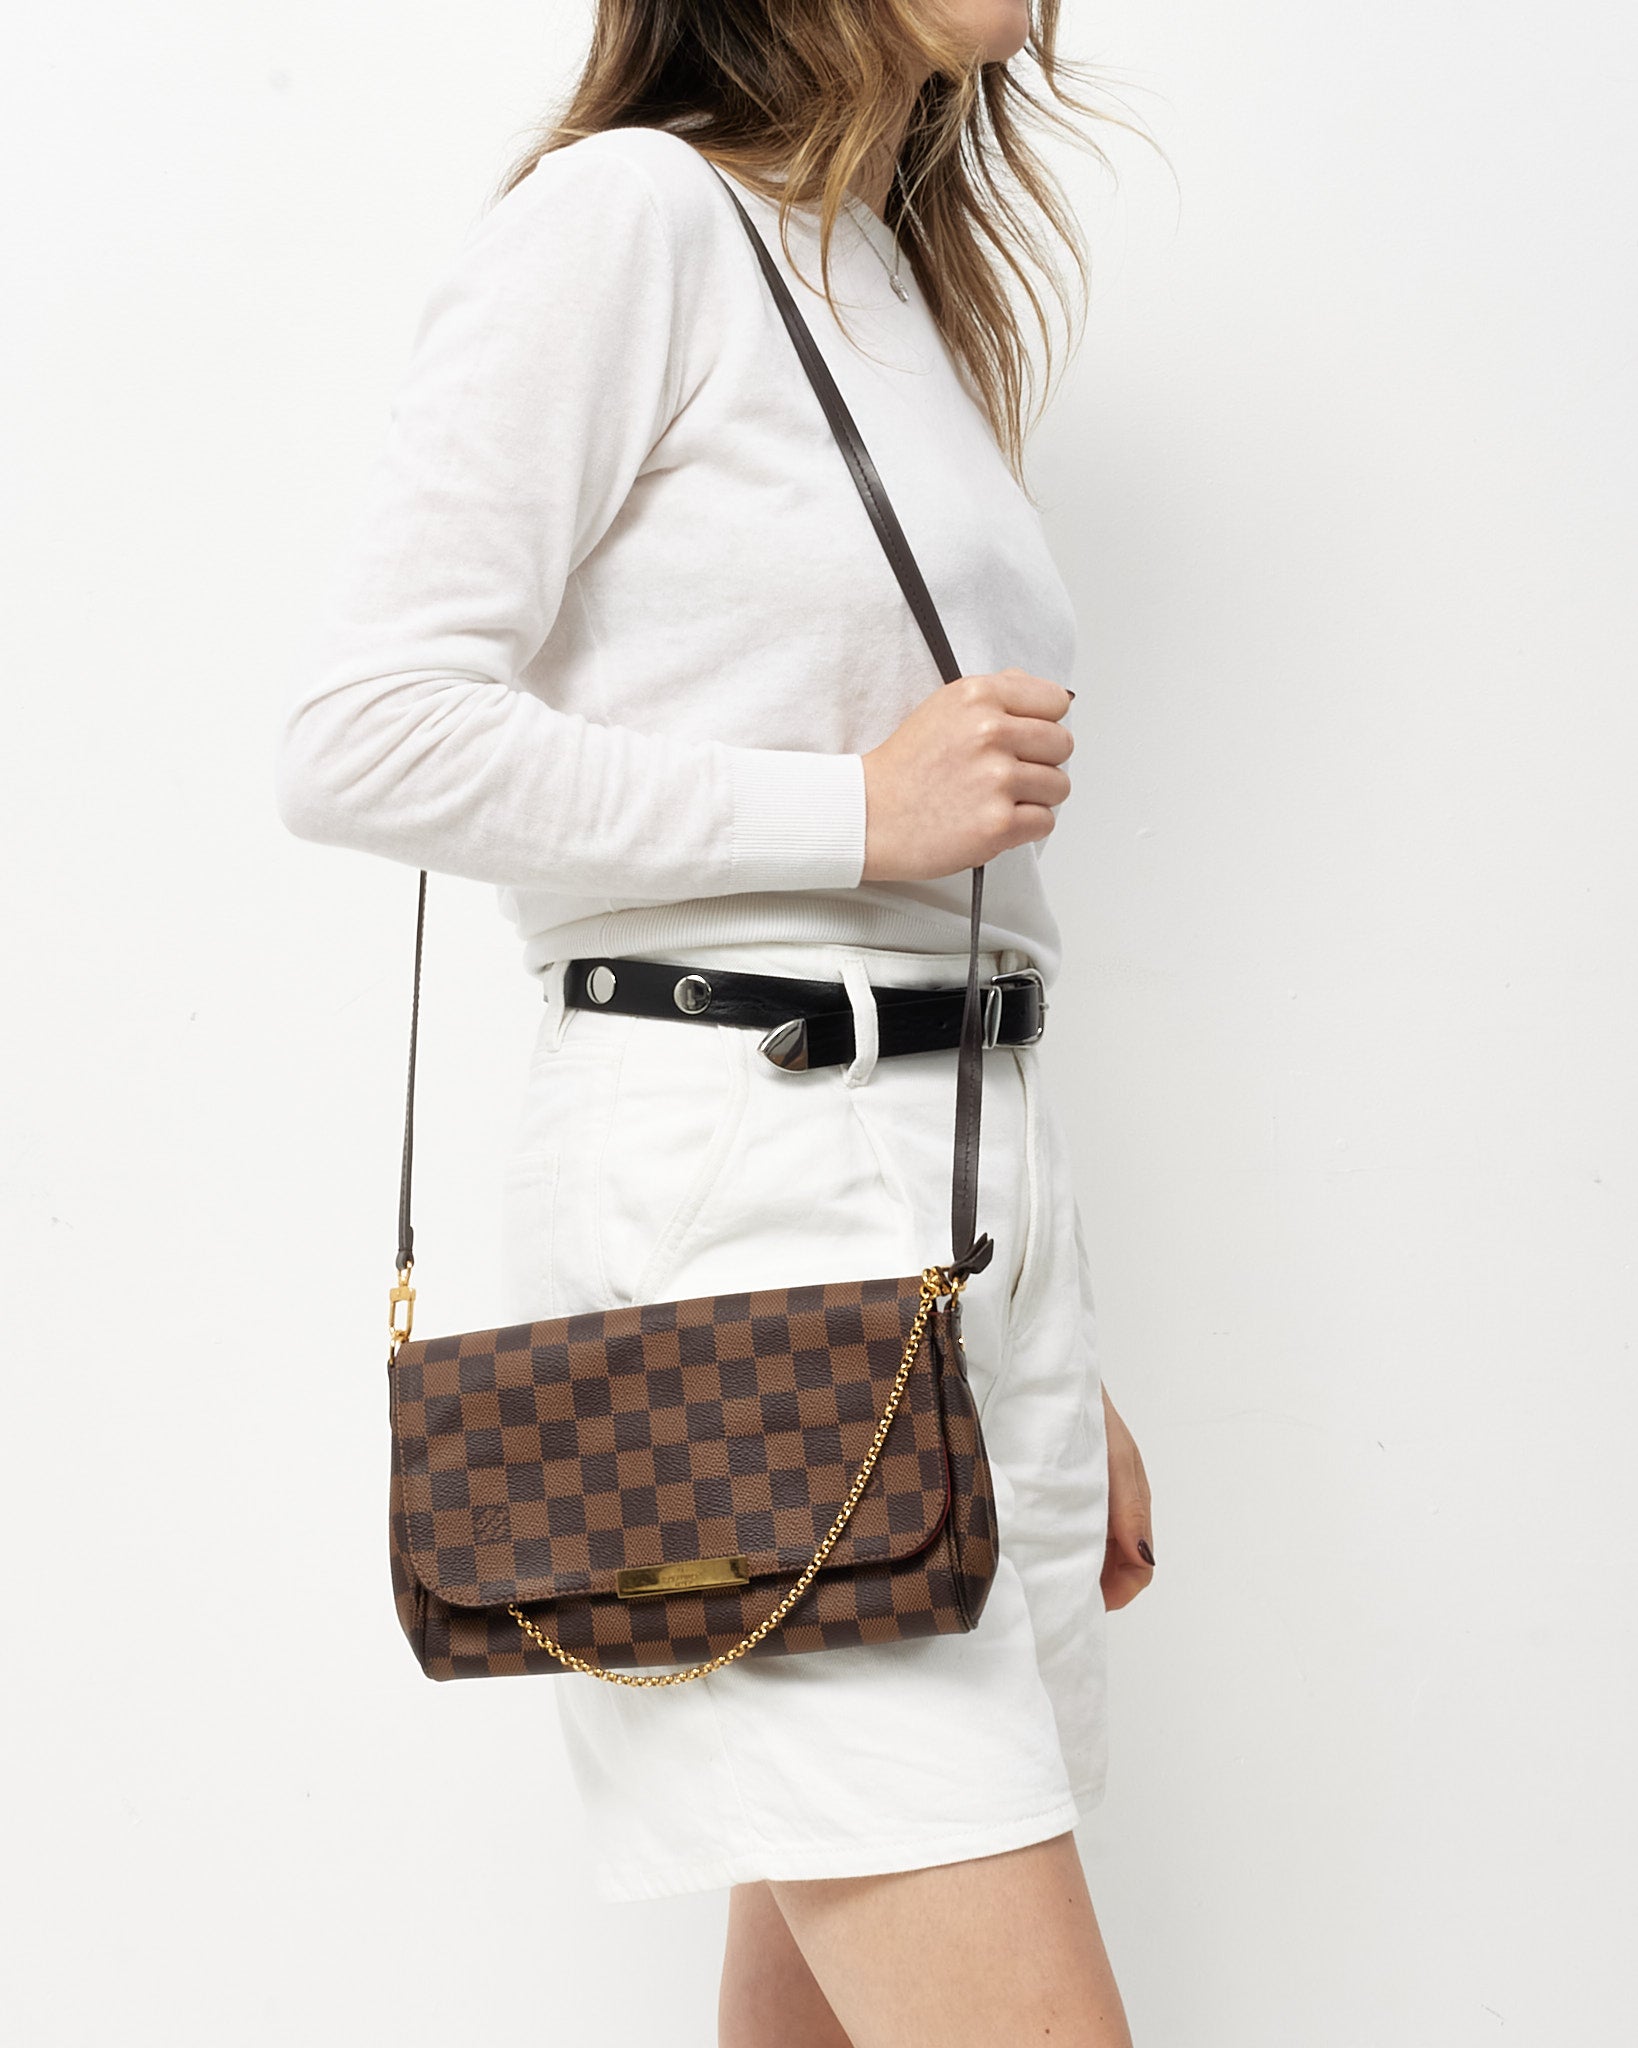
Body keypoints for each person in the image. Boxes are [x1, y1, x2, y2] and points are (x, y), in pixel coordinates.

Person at [274, 2, 1156, 2040]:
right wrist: (849, 809)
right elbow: (361, 736)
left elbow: (953, 894)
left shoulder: (885, 277)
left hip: (937, 1215)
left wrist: (1037, 1327)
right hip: (746, 1214)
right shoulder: (631, 221)